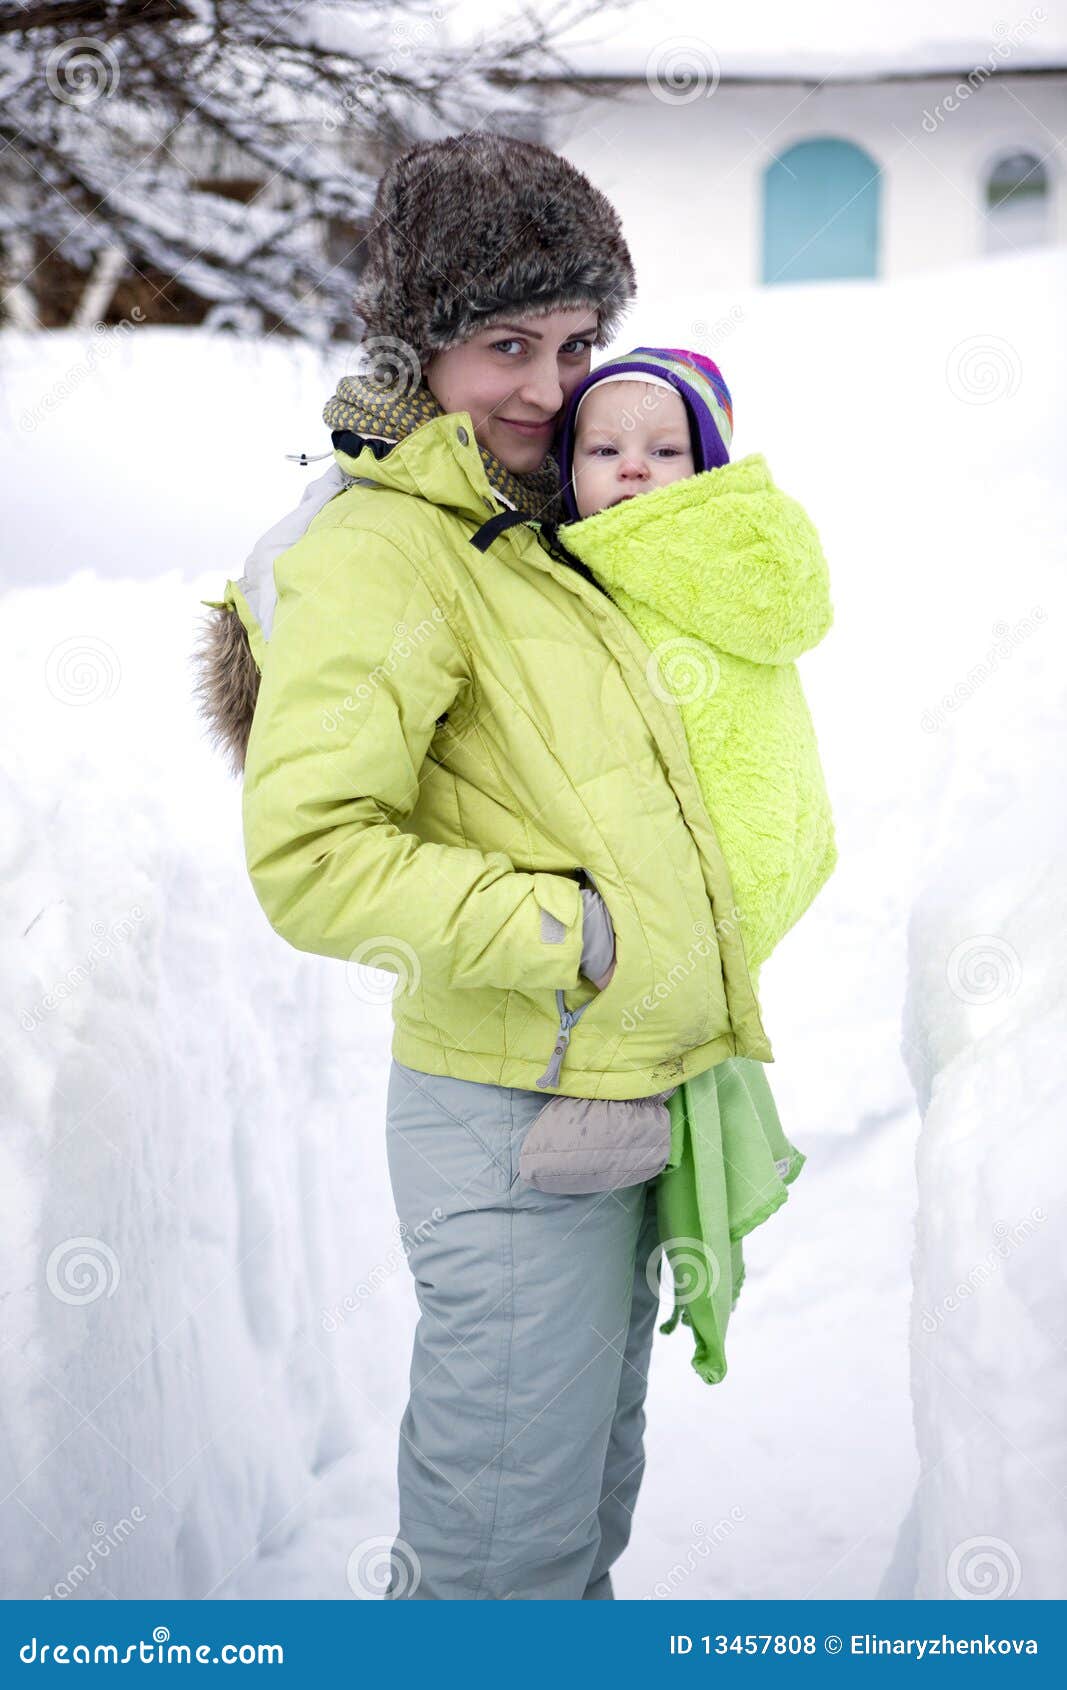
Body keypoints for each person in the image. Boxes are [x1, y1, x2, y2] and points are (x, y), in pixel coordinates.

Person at [192, 133, 774, 1600]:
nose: (547, 384)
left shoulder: (540, 522)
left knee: (577, 1513)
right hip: (507, 1109)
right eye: (504, 342)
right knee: (497, 1545)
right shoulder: (391, 550)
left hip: (600, 1097)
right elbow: (314, 855)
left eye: (578, 341)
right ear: (418, 346)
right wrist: (565, 931)